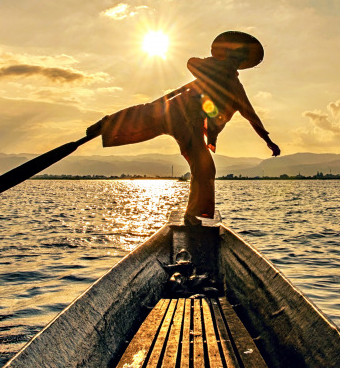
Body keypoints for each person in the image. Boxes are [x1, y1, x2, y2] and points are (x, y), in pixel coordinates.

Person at [87, 31, 280, 224]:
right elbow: (192, 63)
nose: (233, 60)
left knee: (205, 168)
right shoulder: (210, 68)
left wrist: (268, 141)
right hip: (174, 111)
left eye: (238, 57)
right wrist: (214, 67)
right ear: (226, 55)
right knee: (146, 113)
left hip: (191, 123)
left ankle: (192, 213)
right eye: (232, 54)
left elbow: (251, 116)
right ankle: (106, 124)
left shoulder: (235, 87)